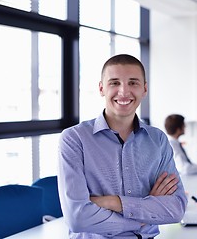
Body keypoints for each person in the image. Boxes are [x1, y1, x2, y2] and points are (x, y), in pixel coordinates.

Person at [57, 54, 188, 239]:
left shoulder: (157, 139)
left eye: (133, 83)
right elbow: (77, 217)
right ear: (102, 88)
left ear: (144, 89)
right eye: (114, 83)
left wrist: (113, 202)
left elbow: (176, 208)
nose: (124, 91)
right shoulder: (74, 139)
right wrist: (143, 216)